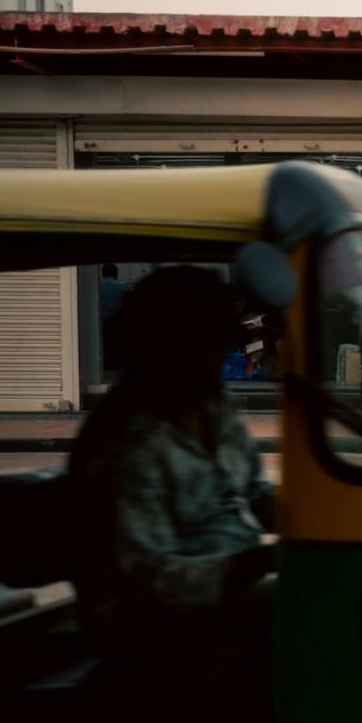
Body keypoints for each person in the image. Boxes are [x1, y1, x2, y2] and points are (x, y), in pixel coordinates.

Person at [69, 265, 277, 681]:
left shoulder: (213, 407)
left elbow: (252, 495)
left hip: (228, 597)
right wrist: (251, 565)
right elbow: (150, 580)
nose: (215, 358)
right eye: (203, 344)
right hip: (153, 630)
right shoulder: (124, 440)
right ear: (163, 345)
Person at [100, 263, 129, 369]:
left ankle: (104, 365)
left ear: (102, 273)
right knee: (116, 344)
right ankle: (115, 364)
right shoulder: (122, 286)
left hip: (101, 320)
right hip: (117, 320)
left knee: (102, 344)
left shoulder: (99, 286)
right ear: (115, 273)